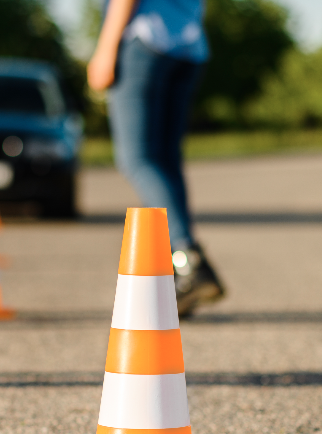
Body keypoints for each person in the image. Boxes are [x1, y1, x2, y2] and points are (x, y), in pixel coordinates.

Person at [88, 0, 224, 314]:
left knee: (137, 159)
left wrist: (106, 49)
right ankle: (181, 272)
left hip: (146, 42)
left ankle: (189, 260)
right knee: (164, 160)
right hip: (189, 45)